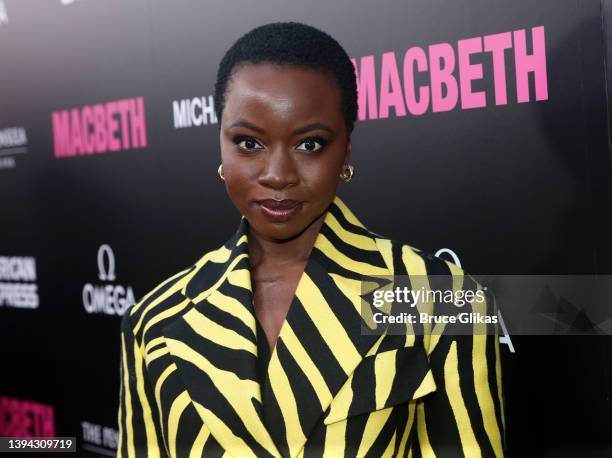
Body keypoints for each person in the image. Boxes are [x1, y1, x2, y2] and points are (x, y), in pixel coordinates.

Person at [117, 21, 506, 458]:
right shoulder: (156, 319)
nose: (277, 174)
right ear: (220, 146)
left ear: (346, 150)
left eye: (310, 145)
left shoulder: (437, 298)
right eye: (248, 143)